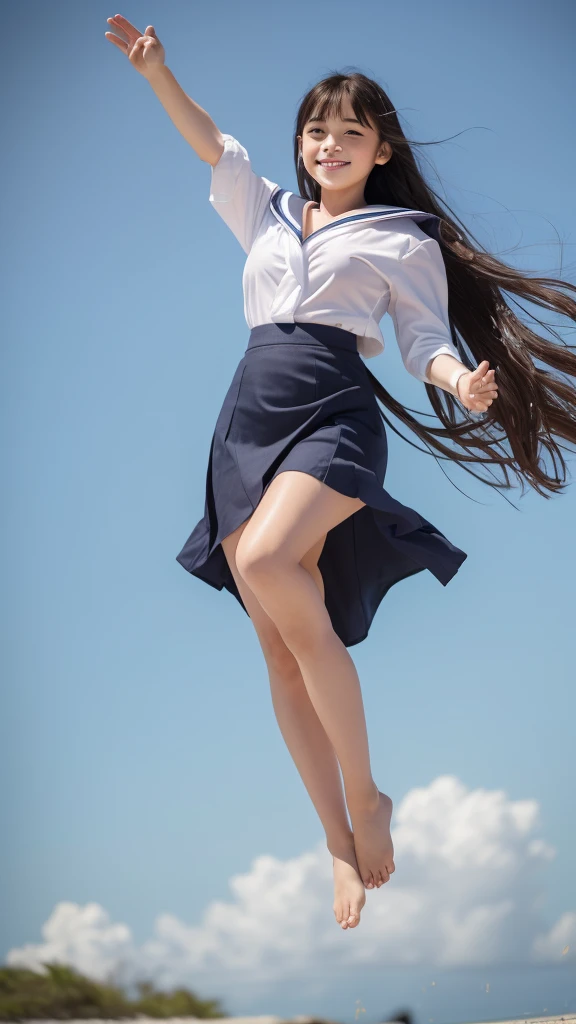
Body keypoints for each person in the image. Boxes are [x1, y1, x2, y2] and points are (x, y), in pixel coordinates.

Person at [105, 15, 576, 933]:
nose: (329, 144)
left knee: (272, 563)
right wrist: (159, 73)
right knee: (278, 647)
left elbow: (424, 339)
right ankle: (335, 838)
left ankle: (366, 796)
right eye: (316, 130)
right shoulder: (269, 209)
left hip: (335, 418)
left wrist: (463, 384)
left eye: (349, 132)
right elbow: (217, 146)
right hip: (247, 420)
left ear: (381, 148)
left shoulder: (404, 238)